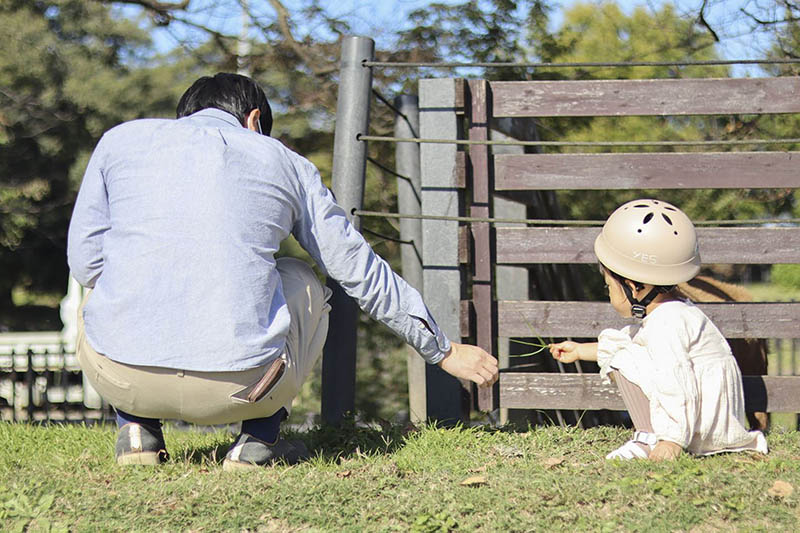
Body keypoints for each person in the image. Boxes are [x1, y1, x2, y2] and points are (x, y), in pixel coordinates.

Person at [67, 73, 498, 469]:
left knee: (102, 284)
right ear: (254, 120)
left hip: (119, 374)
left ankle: (137, 429)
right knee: (301, 277)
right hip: (242, 389)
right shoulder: (285, 161)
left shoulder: (119, 142)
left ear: (185, 116)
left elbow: (86, 263)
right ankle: (259, 439)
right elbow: (358, 270)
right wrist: (442, 350)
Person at [548, 199, 767, 461]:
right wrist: (581, 350)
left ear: (631, 286)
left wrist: (671, 441)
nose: (609, 294)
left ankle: (650, 437)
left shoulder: (667, 324)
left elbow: (675, 380)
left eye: (609, 287)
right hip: (704, 420)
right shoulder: (674, 312)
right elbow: (632, 341)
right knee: (627, 351)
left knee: (622, 359)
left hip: (698, 430)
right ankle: (657, 435)